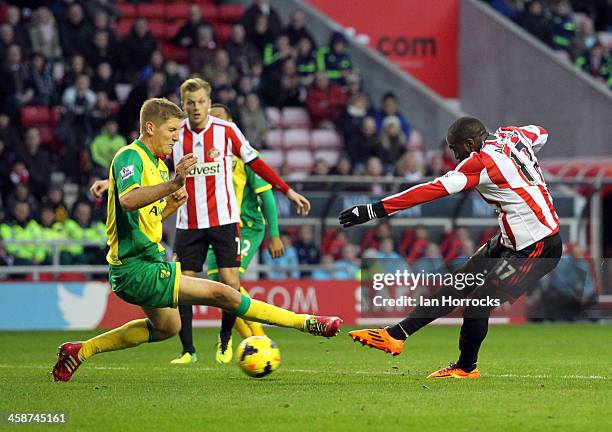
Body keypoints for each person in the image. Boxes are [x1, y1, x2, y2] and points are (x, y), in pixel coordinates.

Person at [51, 98, 341, 382]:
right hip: (136, 268)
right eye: (172, 130)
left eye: (179, 131)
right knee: (224, 293)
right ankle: (307, 322)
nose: (177, 138)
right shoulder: (131, 156)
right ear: (150, 128)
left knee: (168, 327)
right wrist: (173, 185)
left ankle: (80, 351)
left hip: (145, 261)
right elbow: (128, 201)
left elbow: (146, 217)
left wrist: (171, 206)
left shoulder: (158, 165)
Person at [340, 117, 562, 379]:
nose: (455, 156)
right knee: (458, 282)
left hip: (537, 247)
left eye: (456, 149)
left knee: (479, 303)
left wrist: (375, 209)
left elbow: (433, 189)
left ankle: (466, 367)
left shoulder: (480, 162)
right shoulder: (512, 135)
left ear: (470, 143)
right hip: (512, 240)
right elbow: (542, 132)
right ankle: (395, 335)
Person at [171, 103, 285, 365]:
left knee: (229, 282)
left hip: (245, 225)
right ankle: (238, 339)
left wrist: (274, 233)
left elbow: (266, 195)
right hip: (207, 225)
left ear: (230, 125)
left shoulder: (244, 156)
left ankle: (259, 338)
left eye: (219, 119)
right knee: (217, 285)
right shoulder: (195, 152)